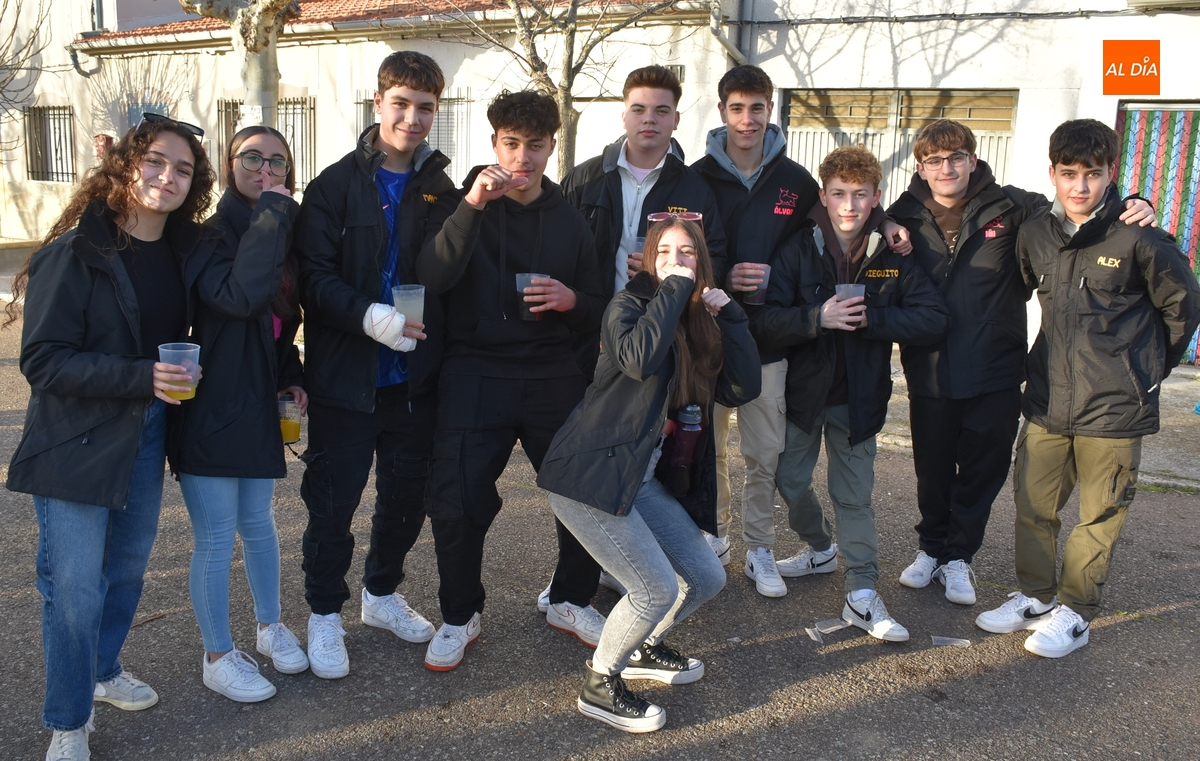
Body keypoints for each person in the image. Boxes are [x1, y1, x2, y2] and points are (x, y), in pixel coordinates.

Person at [6, 115, 217, 761]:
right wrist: (141, 376)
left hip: (146, 429)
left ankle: (100, 671)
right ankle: (68, 722)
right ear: (126, 165)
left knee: (124, 570)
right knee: (72, 587)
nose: (167, 176)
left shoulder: (183, 251)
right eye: (156, 161)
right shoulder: (75, 252)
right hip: (74, 440)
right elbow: (41, 360)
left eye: (183, 169)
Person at [887, 119, 1156, 607]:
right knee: (931, 467)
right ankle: (930, 548)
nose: (946, 169)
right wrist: (882, 225)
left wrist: (1137, 200)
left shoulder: (1014, 206)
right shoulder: (902, 213)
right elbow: (861, 231)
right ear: (920, 167)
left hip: (996, 367)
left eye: (956, 158)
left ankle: (958, 558)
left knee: (983, 470)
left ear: (973, 159)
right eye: (934, 161)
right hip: (928, 369)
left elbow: (1077, 209)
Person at [975, 119, 1200, 658]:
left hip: (1116, 407)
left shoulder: (1139, 236)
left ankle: (1075, 613)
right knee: (1033, 504)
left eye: (1093, 175)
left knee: (1099, 514)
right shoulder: (1036, 235)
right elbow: (1026, 284)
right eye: (1069, 174)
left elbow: (1183, 306)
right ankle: (1035, 597)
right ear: (1052, 173)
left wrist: (1147, 369)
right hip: (1050, 400)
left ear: (1110, 174)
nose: (1080, 186)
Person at [537, 217, 760, 732]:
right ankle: (600, 683)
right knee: (654, 589)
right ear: (647, 261)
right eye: (665, 253)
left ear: (703, 263)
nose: (675, 262)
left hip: (639, 480)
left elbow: (742, 389)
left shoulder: (696, 324)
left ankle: (642, 646)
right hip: (589, 477)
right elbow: (638, 361)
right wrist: (677, 290)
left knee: (706, 576)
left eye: (687, 254)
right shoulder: (627, 309)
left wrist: (732, 318)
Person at [417, 90, 607, 670]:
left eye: (536, 145)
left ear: (553, 147)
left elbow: (598, 303)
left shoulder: (571, 218)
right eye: (511, 143)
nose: (523, 157)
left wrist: (572, 299)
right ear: (494, 141)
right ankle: (460, 614)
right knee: (457, 500)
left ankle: (570, 600)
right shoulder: (463, 202)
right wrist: (472, 205)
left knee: (581, 494)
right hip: (475, 370)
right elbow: (433, 276)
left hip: (552, 370)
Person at [295, 50, 456, 679]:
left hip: (413, 378)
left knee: (404, 498)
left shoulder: (440, 186)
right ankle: (325, 613)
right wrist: (368, 316)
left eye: (425, 108)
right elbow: (314, 277)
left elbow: (451, 271)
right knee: (333, 502)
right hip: (346, 378)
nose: (412, 118)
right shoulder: (333, 185)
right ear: (377, 104)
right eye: (401, 104)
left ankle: (381, 594)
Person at [754, 145, 949, 641]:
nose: (849, 205)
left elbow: (932, 317)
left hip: (859, 400)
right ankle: (820, 547)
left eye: (860, 195)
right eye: (839, 194)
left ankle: (862, 591)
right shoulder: (799, 246)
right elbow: (764, 319)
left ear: (876, 198)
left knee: (854, 497)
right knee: (790, 480)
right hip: (804, 396)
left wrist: (873, 320)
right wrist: (815, 318)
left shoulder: (893, 253)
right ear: (823, 195)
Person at [171, 126, 309, 702]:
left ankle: (270, 626)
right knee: (214, 537)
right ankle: (218, 654)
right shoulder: (209, 239)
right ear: (230, 165)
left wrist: (293, 378)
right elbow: (239, 297)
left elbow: (278, 328)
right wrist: (275, 211)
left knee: (259, 525)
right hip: (208, 411)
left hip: (256, 409)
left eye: (277, 160)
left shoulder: (281, 235)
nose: (265, 168)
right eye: (251, 157)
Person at [562, 64, 727, 379]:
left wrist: (666, 274)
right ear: (624, 116)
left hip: (662, 336)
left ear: (676, 120)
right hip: (584, 337)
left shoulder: (696, 189)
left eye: (661, 110)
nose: (649, 118)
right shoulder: (583, 180)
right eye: (638, 109)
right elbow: (560, 251)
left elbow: (714, 259)